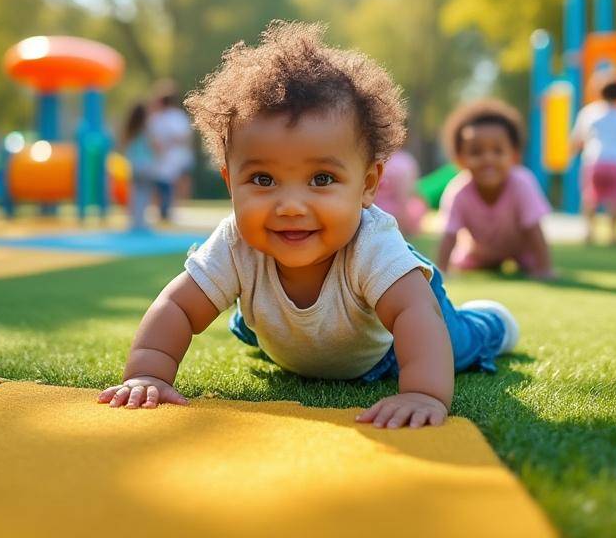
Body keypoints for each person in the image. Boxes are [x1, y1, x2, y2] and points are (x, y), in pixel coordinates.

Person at [99, 22, 518, 429]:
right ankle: (288, 338)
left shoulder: (371, 244)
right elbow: (177, 307)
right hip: (295, 341)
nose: (291, 206)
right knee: (249, 320)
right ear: (231, 183)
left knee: (455, 341)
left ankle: (490, 323)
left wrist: (424, 393)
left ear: (368, 184)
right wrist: (149, 373)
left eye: (322, 180)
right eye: (263, 180)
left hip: (386, 350)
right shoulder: (235, 242)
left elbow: (413, 312)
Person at [436, 98, 554, 278]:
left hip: (522, 251)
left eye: (497, 151)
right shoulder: (458, 191)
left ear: (514, 156)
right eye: (476, 152)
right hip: (480, 253)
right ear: (460, 159)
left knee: (531, 263)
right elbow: (449, 235)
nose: (488, 159)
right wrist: (441, 272)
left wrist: (544, 269)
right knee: (464, 263)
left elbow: (534, 229)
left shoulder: (522, 184)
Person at [571, 73, 616, 246]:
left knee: (590, 198)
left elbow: (578, 140)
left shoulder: (589, 113)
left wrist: (572, 153)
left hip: (595, 160)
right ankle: (614, 236)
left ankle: (589, 232)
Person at [146, 79, 194, 222]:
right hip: (168, 157)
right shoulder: (168, 117)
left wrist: (163, 146)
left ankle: (166, 210)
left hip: (170, 157)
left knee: (167, 184)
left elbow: (180, 137)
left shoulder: (167, 117)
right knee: (166, 185)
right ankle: (166, 210)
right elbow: (184, 136)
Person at [119, 101, 157, 232]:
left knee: (135, 193)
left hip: (134, 165)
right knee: (144, 193)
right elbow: (153, 145)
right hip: (146, 165)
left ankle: (134, 221)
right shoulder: (146, 128)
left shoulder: (130, 129)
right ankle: (141, 222)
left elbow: (125, 146)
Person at [373, 149, 426, 237]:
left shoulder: (372, 158)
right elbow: (405, 194)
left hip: (372, 214)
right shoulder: (404, 162)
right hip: (396, 215)